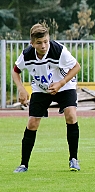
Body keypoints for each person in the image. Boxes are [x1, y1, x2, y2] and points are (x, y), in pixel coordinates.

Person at [12, 23, 81, 173]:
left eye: (46, 41)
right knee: (32, 123)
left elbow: (76, 66)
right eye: (39, 43)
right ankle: (23, 164)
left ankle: (73, 159)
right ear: (32, 43)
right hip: (41, 88)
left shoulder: (59, 50)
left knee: (71, 114)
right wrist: (21, 88)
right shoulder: (27, 54)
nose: (43, 46)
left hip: (65, 85)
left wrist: (61, 83)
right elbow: (15, 70)